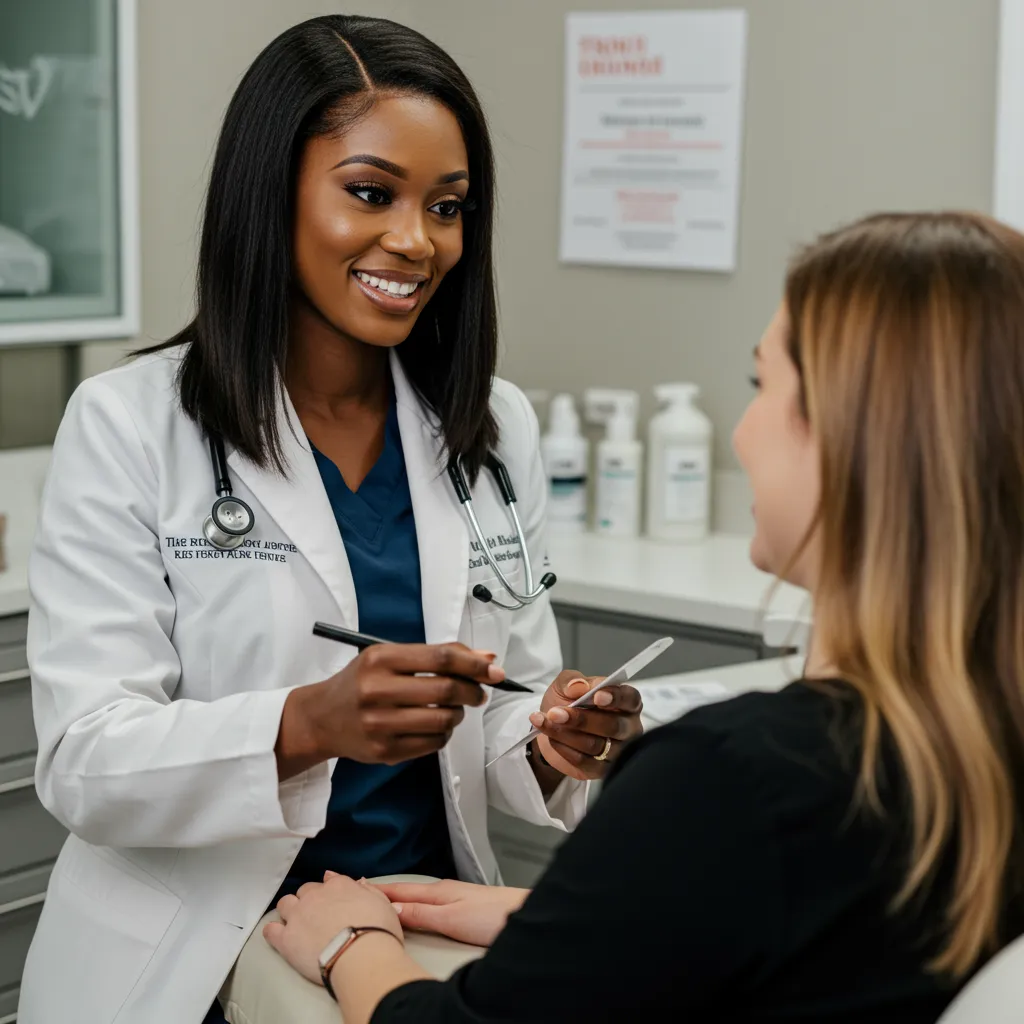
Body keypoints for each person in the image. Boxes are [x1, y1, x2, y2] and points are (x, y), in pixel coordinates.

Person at [17, 16, 644, 1024]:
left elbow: (494, 719)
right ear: (269, 193)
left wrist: (552, 737)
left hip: (404, 948)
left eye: (448, 207)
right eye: (370, 193)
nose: (416, 240)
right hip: (196, 962)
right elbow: (85, 761)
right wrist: (307, 723)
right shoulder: (131, 422)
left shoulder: (490, 425)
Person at [264, 211, 1024, 1023]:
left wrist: (353, 944)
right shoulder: (982, 741)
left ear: (853, 443)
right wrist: (580, 921)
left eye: (763, 386)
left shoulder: (728, 779)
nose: (741, 430)